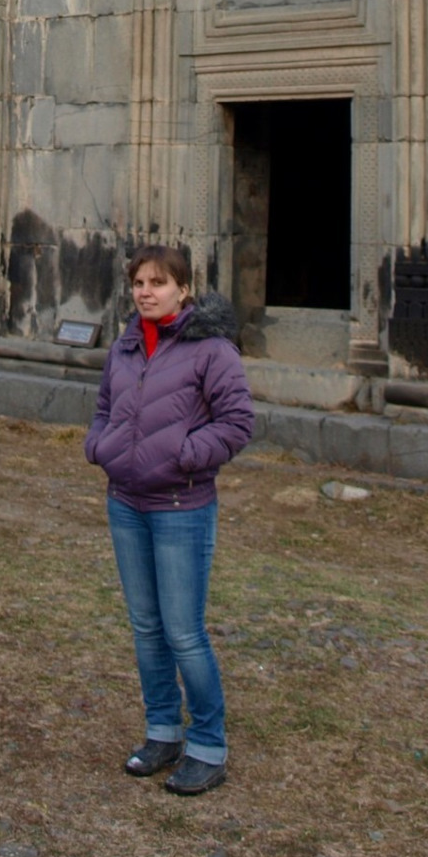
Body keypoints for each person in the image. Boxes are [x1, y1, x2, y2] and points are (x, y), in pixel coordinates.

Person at [84, 246, 254, 795]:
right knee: (146, 627)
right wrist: (100, 446)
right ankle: (162, 731)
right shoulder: (127, 345)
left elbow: (236, 423)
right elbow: (106, 409)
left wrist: (183, 453)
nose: (146, 292)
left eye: (158, 282)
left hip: (181, 505)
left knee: (184, 631)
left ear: (184, 289)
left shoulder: (211, 350)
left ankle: (208, 743)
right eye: (138, 282)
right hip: (126, 501)